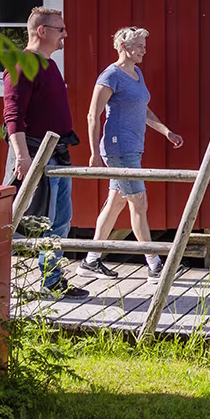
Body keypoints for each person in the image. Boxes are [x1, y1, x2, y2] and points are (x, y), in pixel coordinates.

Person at [76, 27, 185, 281]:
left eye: (145, 46)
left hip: (133, 146)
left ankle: (90, 261)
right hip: (118, 148)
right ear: (123, 47)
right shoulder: (110, 75)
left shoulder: (137, 73)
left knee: (116, 204)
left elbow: (143, 109)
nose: (144, 51)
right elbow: (93, 114)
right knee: (139, 202)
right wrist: (93, 154)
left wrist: (165, 131)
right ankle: (155, 265)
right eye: (140, 46)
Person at [3, 6, 86, 299]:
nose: (65, 34)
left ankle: (52, 282)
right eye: (60, 29)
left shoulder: (49, 65)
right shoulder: (22, 64)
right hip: (36, 154)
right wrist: (23, 158)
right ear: (42, 31)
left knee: (60, 220)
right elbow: (12, 115)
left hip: (58, 153)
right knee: (23, 222)